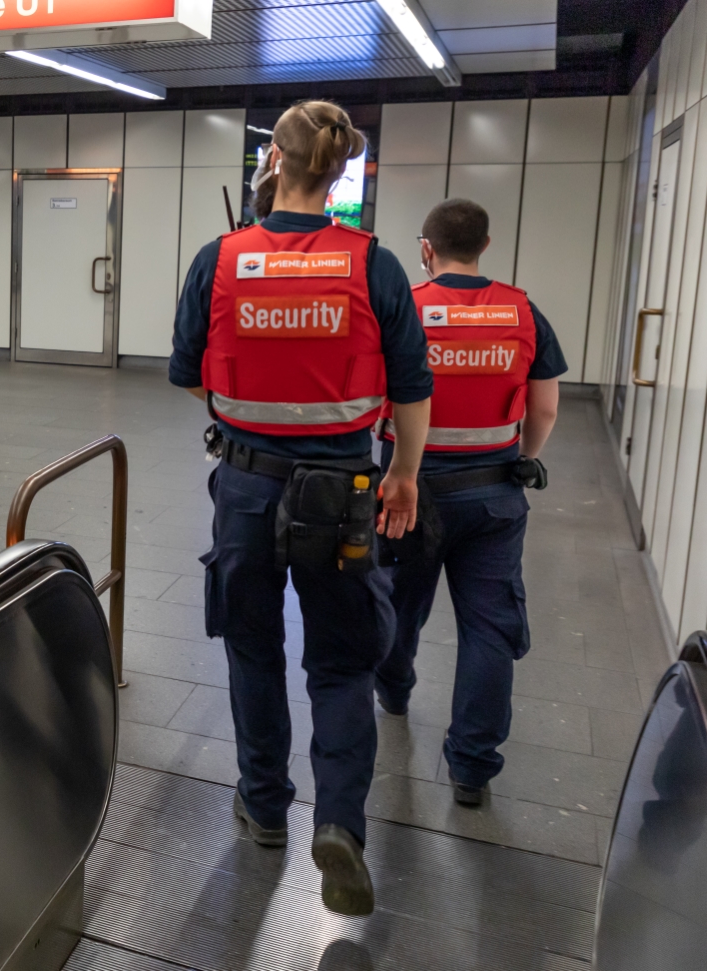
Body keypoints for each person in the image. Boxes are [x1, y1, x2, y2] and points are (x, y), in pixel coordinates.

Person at [169, 100, 433, 917]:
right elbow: (412, 390)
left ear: (272, 164)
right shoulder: (375, 265)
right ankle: (343, 826)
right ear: (340, 170)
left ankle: (265, 803)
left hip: (247, 486)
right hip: (348, 493)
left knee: (252, 645)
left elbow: (190, 377)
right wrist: (406, 476)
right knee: (342, 661)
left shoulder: (221, 257)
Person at [373, 198, 565, 807]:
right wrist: (522, 457)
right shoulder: (522, 310)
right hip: (493, 497)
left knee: (401, 605)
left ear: (425, 249)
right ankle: (472, 768)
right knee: (488, 626)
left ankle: (395, 688)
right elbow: (545, 407)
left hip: (409, 491)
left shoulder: (403, 308)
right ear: (485, 245)